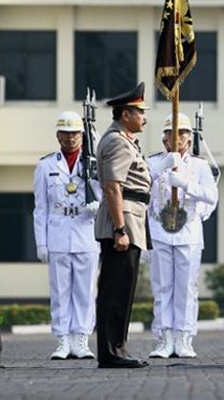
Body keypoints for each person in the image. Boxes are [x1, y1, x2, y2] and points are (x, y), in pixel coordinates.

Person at [147, 113, 218, 358]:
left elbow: (212, 196)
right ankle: (165, 338)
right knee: (162, 287)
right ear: (164, 137)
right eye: (172, 133)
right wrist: (163, 167)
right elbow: (142, 193)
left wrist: (186, 184)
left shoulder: (199, 165)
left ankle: (184, 337)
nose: (177, 138)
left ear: (190, 138)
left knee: (187, 288)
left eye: (183, 133)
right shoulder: (153, 162)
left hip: (188, 232)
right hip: (160, 232)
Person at [94, 82, 154, 368]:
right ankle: (112, 352)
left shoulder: (124, 139)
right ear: (125, 114)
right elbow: (113, 187)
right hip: (124, 219)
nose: (144, 117)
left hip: (132, 216)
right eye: (140, 112)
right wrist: (120, 229)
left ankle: (116, 349)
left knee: (121, 289)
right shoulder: (117, 141)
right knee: (115, 291)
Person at [33, 111, 100, 360]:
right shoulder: (46, 165)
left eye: (75, 133)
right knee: (60, 290)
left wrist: (99, 205)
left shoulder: (92, 163)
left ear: (82, 135)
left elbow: (106, 193)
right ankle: (62, 340)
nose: (70, 138)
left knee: (85, 290)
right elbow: (40, 208)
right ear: (57, 135)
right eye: (65, 133)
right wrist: (41, 242)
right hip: (59, 231)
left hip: (86, 231)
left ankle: (81, 339)